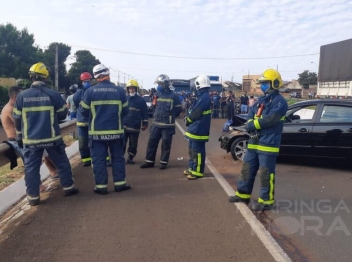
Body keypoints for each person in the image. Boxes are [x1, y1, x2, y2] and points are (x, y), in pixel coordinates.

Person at [12, 62, 79, 206]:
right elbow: (62, 114)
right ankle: (68, 188)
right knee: (61, 162)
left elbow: (16, 118)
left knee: (31, 168)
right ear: (46, 78)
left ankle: (33, 197)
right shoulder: (53, 94)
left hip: (31, 140)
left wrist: (19, 136)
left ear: (31, 77)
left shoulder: (22, 96)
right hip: (52, 138)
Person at [228, 69, 288, 211]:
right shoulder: (260, 100)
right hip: (254, 142)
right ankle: (242, 194)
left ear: (274, 83)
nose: (263, 86)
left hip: (268, 143)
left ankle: (266, 201)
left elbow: (271, 119)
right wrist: (250, 126)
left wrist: (252, 125)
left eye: (265, 83)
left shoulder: (280, 102)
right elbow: (251, 115)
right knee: (247, 168)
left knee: (266, 173)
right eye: (262, 83)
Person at [79, 64, 130, 195]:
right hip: (116, 132)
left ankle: (101, 187)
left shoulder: (90, 92)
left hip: (96, 134)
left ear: (96, 77)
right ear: (108, 74)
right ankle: (120, 184)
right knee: (117, 158)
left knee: (99, 160)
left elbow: (83, 112)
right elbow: (125, 111)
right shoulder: (120, 91)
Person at [140, 74, 182, 170]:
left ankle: (163, 162)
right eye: (158, 83)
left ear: (165, 84)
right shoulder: (157, 94)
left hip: (168, 125)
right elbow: (154, 106)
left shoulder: (174, 96)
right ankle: (149, 162)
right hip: (156, 124)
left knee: (166, 144)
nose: (158, 85)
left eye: (160, 84)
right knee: (152, 143)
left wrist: (171, 115)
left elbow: (179, 109)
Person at [183, 75, 211, 180]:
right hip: (195, 129)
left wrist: (188, 120)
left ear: (198, 85)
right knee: (192, 150)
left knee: (198, 152)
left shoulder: (204, 98)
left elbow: (196, 112)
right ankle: (192, 167)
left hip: (199, 130)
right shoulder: (202, 97)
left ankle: (198, 171)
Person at [123, 79, 148, 164]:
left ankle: (130, 158)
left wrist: (145, 123)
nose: (131, 90)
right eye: (130, 88)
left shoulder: (141, 100)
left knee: (133, 145)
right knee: (121, 143)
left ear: (136, 89)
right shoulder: (124, 99)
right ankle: (120, 158)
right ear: (127, 89)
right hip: (124, 125)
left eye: (133, 88)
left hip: (135, 126)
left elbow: (145, 112)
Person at [73, 72, 93, 167]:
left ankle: (96, 158)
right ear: (82, 82)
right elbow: (78, 106)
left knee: (95, 141)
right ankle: (86, 160)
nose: (87, 83)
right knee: (82, 143)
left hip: (92, 121)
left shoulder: (94, 92)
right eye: (85, 81)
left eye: (88, 81)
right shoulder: (77, 94)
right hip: (82, 122)